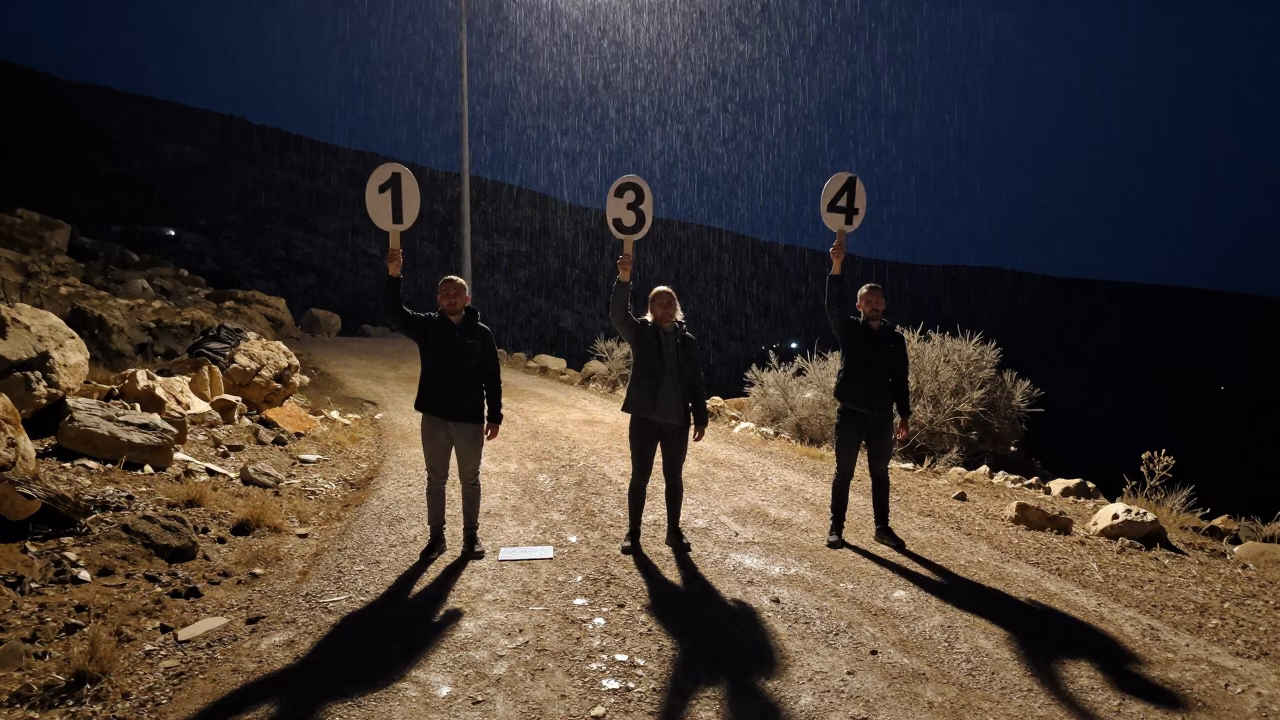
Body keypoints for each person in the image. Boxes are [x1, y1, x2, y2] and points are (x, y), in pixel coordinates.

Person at [384, 247, 502, 559]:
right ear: (438, 299)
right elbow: (394, 314)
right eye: (446, 293)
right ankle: (436, 538)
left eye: (457, 293)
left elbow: (492, 377)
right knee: (435, 480)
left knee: (470, 480)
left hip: (470, 420)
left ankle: (471, 537)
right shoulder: (427, 327)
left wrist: (495, 415)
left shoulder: (482, 334)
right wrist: (394, 276)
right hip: (434, 417)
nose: (451, 298)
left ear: (467, 299)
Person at [610, 253, 708, 555]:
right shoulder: (641, 333)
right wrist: (624, 278)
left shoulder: (688, 342)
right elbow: (618, 314)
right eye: (659, 302)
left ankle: (673, 532)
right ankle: (633, 533)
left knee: (674, 478)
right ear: (650, 308)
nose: (665, 306)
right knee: (640, 477)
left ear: (676, 308)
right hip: (645, 418)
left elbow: (696, 381)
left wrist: (700, 416)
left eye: (670, 302)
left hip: (677, 421)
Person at [825, 230, 912, 550]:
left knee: (880, 474)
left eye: (878, 301)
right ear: (859, 304)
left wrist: (904, 414)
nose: (873, 305)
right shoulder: (848, 329)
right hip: (850, 413)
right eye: (868, 301)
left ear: (884, 305)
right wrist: (837, 265)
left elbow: (901, 378)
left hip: (881, 417)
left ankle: (882, 528)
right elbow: (832, 304)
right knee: (844, 473)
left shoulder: (895, 340)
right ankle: (836, 528)